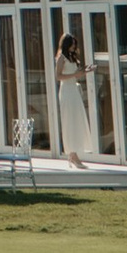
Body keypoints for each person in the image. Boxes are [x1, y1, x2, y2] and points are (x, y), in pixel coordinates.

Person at [52, 25, 96, 166]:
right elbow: (58, 76)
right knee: (69, 121)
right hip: (66, 91)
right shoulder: (61, 58)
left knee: (77, 120)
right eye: (71, 45)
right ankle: (72, 154)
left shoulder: (71, 57)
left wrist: (86, 71)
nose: (73, 48)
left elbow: (77, 74)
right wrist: (75, 75)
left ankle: (75, 153)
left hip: (74, 90)